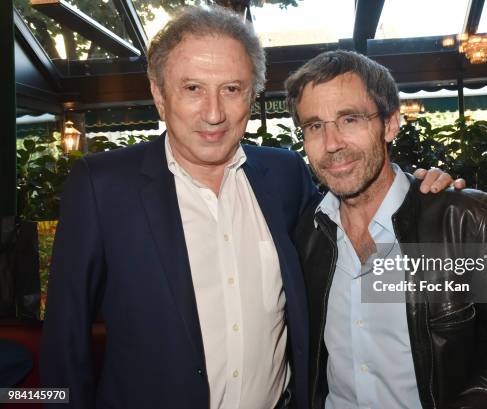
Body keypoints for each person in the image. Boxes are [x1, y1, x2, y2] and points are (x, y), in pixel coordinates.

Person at [40, 6, 459, 409]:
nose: (214, 113)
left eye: (232, 89)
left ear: (252, 96)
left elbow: (361, 246)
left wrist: (421, 198)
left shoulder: (285, 175)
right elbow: (64, 343)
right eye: (192, 88)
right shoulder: (102, 186)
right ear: (159, 94)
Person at [287, 50, 487, 409]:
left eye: (350, 119)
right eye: (315, 126)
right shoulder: (306, 233)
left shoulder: (464, 220)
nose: (331, 144)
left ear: (390, 123)